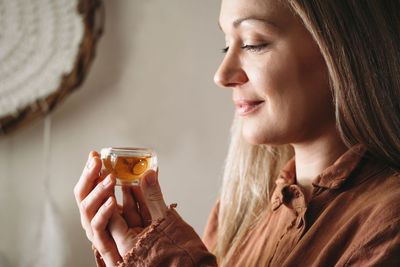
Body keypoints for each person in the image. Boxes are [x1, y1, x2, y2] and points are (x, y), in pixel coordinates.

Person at [74, 0, 400, 266]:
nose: (222, 75)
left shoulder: (388, 227)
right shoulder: (239, 208)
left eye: (253, 43)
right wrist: (131, 255)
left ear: (343, 51)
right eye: (226, 46)